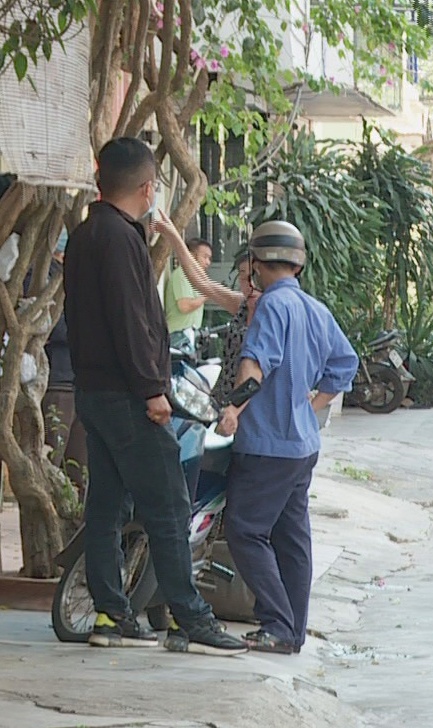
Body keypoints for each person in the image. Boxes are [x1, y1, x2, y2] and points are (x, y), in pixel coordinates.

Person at [63, 136, 245, 654]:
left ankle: (110, 614)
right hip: (128, 396)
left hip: (93, 394)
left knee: (107, 507)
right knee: (168, 506)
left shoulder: (83, 234)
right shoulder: (121, 239)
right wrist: (151, 390)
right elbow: (130, 323)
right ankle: (191, 618)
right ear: (147, 188)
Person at [216, 221, 358, 654]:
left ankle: (277, 624)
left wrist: (233, 408)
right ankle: (292, 631)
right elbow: (345, 364)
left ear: (256, 263)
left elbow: (255, 367)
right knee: (292, 539)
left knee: (244, 530)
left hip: (267, 445)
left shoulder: (271, 307)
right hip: (302, 446)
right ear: (299, 264)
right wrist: (311, 406)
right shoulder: (315, 309)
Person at [153, 218, 259, 407]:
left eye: (255, 276)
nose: (249, 283)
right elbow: (202, 283)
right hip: (227, 398)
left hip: (253, 404)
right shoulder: (241, 304)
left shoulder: (275, 309)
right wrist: (173, 235)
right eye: (243, 276)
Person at [42, 231, 86, 495]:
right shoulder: (41, 276)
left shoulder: (75, 275)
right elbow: (52, 328)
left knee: (79, 468)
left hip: (81, 382)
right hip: (57, 381)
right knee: (52, 460)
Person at [162, 236, 213, 353]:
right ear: (191, 255)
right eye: (205, 257)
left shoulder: (195, 278)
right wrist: (206, 295)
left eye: (209, 258)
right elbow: (184, 306)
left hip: (189, 336)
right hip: (178, 336)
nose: (208, 262)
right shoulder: (182, 274)